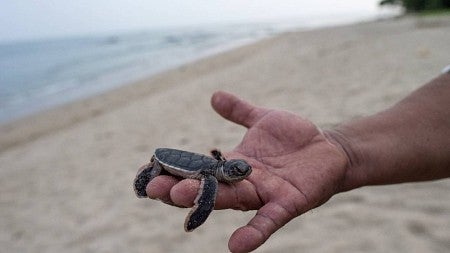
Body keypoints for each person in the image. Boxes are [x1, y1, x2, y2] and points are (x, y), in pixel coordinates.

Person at [145, 73, 450, 253]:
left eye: (242, 170)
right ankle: (148, 171)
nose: (242, 173)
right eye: (237, 171)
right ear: (224, 170)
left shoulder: (221, 170)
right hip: (166, 158)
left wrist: (344, 152)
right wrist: (345, 150)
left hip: (202, 163)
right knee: (165, 179)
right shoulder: (211, 177)